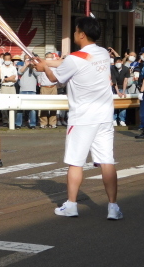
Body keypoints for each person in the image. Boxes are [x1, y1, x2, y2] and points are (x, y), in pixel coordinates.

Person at [34, 17, 122, 220]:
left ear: (81, 33)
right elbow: (69, 62)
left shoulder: (75, 58)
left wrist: (44, 68)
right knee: (107, 161)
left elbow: (55, 78)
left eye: (75, 31)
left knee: (75, 162)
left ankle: (72, 205)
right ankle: (113, 207)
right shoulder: (101, 53)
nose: (74, 34)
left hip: (82, 117)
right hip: (104, 116)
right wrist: (47, 61)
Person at [15, 55, 38, 129]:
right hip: (23, 90)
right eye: (27, 59)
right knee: (20, 108)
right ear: (24, 60)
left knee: (33, 109)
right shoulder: (21, 66)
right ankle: (18, 124)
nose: (28, 61)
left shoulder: (35, 67)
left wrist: (32, 66)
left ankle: (32, 124)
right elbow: (19, 72)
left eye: (29, 59)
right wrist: (26, 65)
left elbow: (38, 74)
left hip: (32, 90)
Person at [38, 52, 58, 128]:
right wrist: (40, 84)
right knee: (43, 105)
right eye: (48, 57)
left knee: (54, 105)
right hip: (44, 87)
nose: (49, 59)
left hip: (53, 87)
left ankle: (53, 123)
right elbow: (39, 77)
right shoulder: (42, 66)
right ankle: (43, 123)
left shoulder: (55, 66)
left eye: (51, 57)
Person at [0, 52, 18, 127]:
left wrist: (8, 79)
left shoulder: (13, 68)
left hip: (12, 87)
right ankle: (5, 121)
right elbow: (2, 80)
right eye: (6, 59)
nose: (7, 60)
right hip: (4, 87)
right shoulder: (1, 68)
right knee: (4, 105)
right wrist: (10, 78)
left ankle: (12, 120)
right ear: (3, 59)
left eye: (8, 59)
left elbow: (15, 79)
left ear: (10, 59)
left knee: (14, 104)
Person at [111, 57, 130, 127]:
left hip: (123, 86)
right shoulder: (112, 68)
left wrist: (124, 91)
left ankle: (122, 120)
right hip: (114, 87)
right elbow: (114, 81)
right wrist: (118, 92)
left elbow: (125, 80)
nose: (117, 63)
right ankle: (114, 119)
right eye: (116, 62)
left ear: (122, 62)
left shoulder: (126, 69)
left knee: (123, 103)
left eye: (119, 61)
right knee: (114, 104)